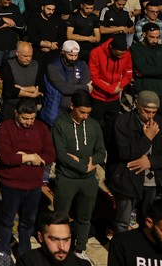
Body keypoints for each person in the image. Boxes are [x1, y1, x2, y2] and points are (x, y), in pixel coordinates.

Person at [107, 91, 162, 237]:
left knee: (148, 220)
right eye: (147, 111)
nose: (150, 116)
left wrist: (150, 161)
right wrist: (147, 138)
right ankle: (121, 247)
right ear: (138, 107)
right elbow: (125, 153)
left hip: (153, 180)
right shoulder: (123, 122)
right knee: (123, 221)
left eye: (154, 112)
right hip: (128, 178)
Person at [0, 99, 54, 257]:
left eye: (32, 118)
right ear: (17, 114)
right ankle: (3, 250)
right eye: (25, 118)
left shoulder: (41, 128)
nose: (29, 122)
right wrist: (30, 158)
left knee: (28, 221)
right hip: (11, 184)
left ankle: (24, 251)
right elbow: (6, 157)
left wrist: (32, 158)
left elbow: (50, 154)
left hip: (33, 184)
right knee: (7, 219)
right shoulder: (6, 128)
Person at [51, 91, 106, 260]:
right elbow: (61, 154)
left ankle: (80, 249)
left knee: (85, 217)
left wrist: (92, 162)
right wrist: (85, 165)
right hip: (66, 179)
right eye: (82, 112)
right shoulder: (60, 124)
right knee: (61, 217)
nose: (85, 116)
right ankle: (58, 248)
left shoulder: (94, 125)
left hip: (88, 180)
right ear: (72, 106)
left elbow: (100, 152)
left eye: (88, 113)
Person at [40, 41, 92, 126]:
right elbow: (65, 88)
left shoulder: (82, 64)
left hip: (77, 108)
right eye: (70, 55)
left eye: (76, 55)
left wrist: (80, 87)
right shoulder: (53, 67)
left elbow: (85, 83)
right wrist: (85, 87)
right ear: (63, 52)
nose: (73, 58)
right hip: (59, 109)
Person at [17, 211, 86, 266]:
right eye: (54, 239)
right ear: (40, 237)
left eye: (66, 240)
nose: (61, 247)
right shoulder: (27, 262)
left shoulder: (81, 264)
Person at [0, 42, 44, 121]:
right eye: (25, 56)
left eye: (30, 56)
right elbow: (10, 89)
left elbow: (39, 88)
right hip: (12, 105)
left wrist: (21, 88)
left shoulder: (36, 64)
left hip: (30, 106)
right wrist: (32, 93)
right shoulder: (7, 64)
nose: (28, 59)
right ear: (17, 53)